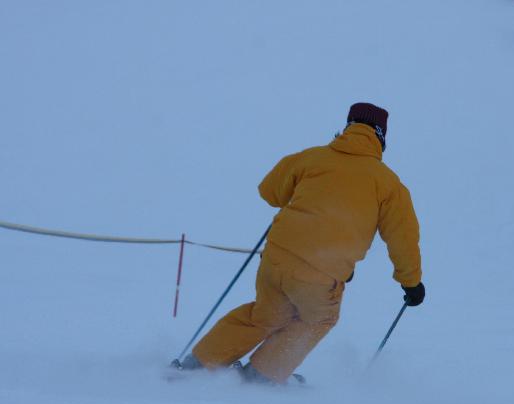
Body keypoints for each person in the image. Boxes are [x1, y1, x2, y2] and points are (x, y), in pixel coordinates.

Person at [177, 102, 425, 385]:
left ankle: (200, 363)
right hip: (320, 274)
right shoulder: (389, 185)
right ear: (381, 137)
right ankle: (261, 376)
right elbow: (403, 238)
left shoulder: (313, 158)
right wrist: (411, 282)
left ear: (348, 127)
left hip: (276, 259)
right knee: (318, 320)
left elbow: (269, 191)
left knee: (264, 315)